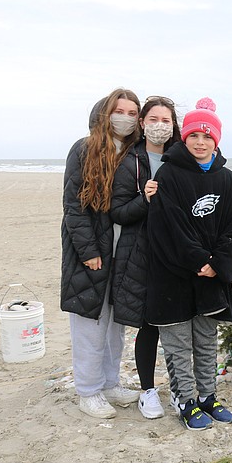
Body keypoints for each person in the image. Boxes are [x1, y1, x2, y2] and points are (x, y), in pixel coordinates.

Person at [145, 97, 232, 430]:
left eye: (207, 137)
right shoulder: (169, 175)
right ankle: (185, 401)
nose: (200, 143)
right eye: (193, 136)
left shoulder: (228, 181)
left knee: (205, 340)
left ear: (216, 140)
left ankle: (207, 397)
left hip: (211, 277)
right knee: (177, 344)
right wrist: (198, 260)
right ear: (184, 138)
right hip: (173, 274)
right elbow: (169, 226)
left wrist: (218, 264)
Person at [61, 88, 142, 419]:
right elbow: (73, 207)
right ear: (104, 113)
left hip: (124, 250)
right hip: (93, 250)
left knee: (115, 323)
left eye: (132, 112)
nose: (125, 117)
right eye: (118, 110)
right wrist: (88, 251)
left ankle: (109, 383)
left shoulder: (134, 153)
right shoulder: (84, 149)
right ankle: (88, 390)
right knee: (89, 322)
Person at [110, 96, 182, 419]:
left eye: (165, 120)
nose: (159, 126)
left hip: (175, 254)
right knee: (147, 326)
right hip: (140, 256)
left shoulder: (181, 158)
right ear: (142, 123)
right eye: (153, 119)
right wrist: (145, 199)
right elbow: (118, 211)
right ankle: (148, 391)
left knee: (179, 326)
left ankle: (183, 389)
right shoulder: (130, 161)